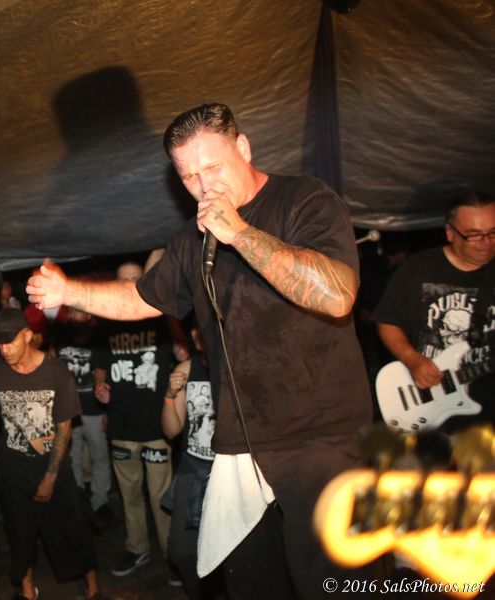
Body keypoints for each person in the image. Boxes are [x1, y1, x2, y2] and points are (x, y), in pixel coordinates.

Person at [27, 103, 373, 600]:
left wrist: (240, 233)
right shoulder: (192, 240)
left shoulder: (303, 199)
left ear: (244, 148)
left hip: (322, 441)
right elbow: (141, 297)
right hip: (242, 448)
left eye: (212, 166)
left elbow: (337, 295)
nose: (203, 184)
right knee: (253, 585)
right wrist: (69, 292)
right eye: (189, 176)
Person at [0, 308, 102, 600]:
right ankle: (28, 592)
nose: (4, 349)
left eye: (10, 342)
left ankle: (93, 588)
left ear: (28, 335)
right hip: (13, 470)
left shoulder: (56, 372)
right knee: (19, 534)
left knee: (73, 528)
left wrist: (50, 477)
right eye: (0, 344)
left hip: (53, 467)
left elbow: (65, 427)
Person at [374, 192, 494, 429]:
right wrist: (412, 360)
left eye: (493, 233)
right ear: (450, 232)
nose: (486, 242)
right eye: (473, 235)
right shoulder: (417, 268)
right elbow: (387, 322)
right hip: (428, 401)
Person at [91, 262, 174, 580]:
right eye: (122, 280)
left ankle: (172, 555)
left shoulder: (161, 316)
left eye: (135, 279)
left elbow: (182, 354)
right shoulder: (107, 321)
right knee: (130, 495)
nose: (128, 285)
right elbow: (100, 364)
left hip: (157, 427)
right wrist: (100, 387)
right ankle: (138, 548)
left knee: (161, 497)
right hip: (122, 426)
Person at [161, 325, 215, 598]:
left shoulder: (235, 366)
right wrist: (170, 396)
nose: (197, 333)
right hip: (193, 469)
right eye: (194, 328)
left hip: (229, 471)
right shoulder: (186, 369)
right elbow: (172, 430)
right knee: (181, 551)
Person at [53, 306, 112, 517]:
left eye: (77, 311)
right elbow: (52, 366)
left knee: (99, 456)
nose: (72, 315)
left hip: (94, 409)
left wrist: (106, 409)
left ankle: (99, 502)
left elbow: (102, 375)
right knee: (72, 457)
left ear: (89, 315)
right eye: (70, 311)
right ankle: (78, 501)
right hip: (68, 409)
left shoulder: (99, 339)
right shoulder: (60, 336)